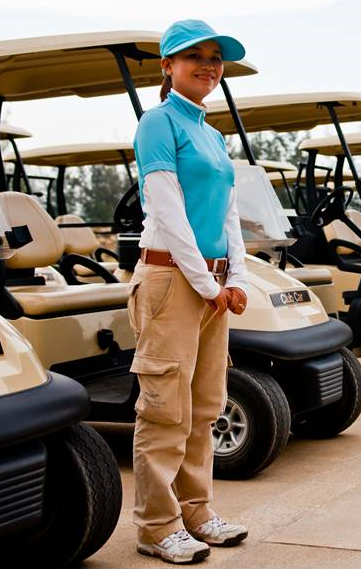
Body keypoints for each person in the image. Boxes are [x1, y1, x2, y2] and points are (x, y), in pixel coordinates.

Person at [129, 19, 249, 564]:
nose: (208, 65)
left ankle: (196, 511)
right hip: (171, 279)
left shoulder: (213, 135)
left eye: (215, 58)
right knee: (165, 409)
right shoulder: (158, 122)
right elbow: (168, 208)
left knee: (204, 406)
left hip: (210, 282)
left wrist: (236, 277)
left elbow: (228, 212)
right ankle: (157, 526)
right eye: (194, 56)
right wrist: (205, 281)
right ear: (168, 66)